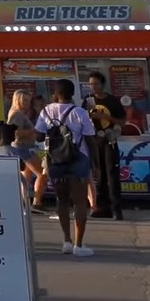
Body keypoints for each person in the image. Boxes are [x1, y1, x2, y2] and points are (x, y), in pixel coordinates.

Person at [33, 80, 96, 256]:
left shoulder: (46, 111)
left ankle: (66, 241)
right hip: (78, 159)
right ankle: (79, 244)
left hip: (56, 160)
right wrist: (95, 164)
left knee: (62, 200)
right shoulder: (80, 113)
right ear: (72, 93)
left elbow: (38, 136)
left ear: (56, 93)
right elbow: (90, 139)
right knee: (80, 201)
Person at [83, 72, 124, 220]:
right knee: (98, 175)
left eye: (96, 84)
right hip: (94, 141)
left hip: (109, 140)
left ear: (102, 84)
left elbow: (122, 121)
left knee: (112, 174)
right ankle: (102, 207)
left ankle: (116, 209)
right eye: (91, 84)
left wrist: (106, 117)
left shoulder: (112, 101)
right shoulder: (88, 100)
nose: (93, 87)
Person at [1, 89, 41, 207]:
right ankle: (37, 202)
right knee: (42, 173)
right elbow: (16, 132)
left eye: (29, 100)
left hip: (24, 147)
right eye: (24, 100)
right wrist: (33, 130)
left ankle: (23, 202)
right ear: (17, 100)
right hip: (23, 147)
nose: (27, 103)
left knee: (26, 177)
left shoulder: (20, 113)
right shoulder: (17, 114)